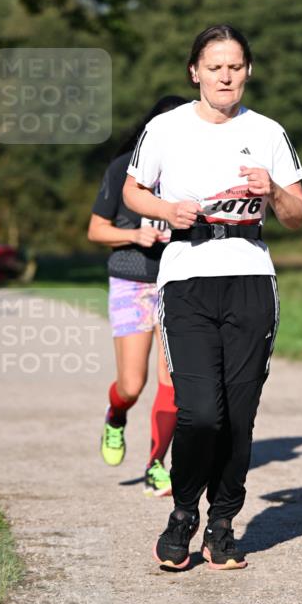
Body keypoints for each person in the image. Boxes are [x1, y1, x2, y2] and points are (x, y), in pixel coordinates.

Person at [123, 24, 302, 570]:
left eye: (235, 66)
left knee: (240, 415)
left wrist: (271, 190)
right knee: (201, 413)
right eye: (215, 66)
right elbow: (134, 188)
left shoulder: (269, 132)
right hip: (186, 278)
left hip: (251, 277)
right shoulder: (165, 128)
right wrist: (164, 211)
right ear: (195, 72)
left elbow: (297, 214)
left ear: (247, 71)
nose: (225, 76)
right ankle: (183, 514)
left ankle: (223, 523)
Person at [88, 95, 187, 496]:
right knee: (132, 384)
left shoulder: (191, 172)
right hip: (131, 278)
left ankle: (156, 464)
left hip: (178, 280)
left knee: (174, 380)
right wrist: (134, 235)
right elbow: (96, 230)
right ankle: (116, 416)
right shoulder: (121, 169)